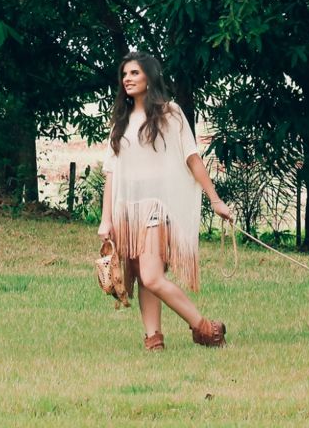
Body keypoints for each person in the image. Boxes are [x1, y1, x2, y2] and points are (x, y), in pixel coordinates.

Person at [97, 51, 233, 350]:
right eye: (124, 75)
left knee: (152, 276)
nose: (127, 79)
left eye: (134, 73)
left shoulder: (170, 113)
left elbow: (192, 158)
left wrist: (216, 200)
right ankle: (153, 340)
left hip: (156, 208)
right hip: (126, 210)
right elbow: (111, 172)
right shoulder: (121, 120)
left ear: (149, 76)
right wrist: (106, 219)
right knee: (144, 278)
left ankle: (206, 329)